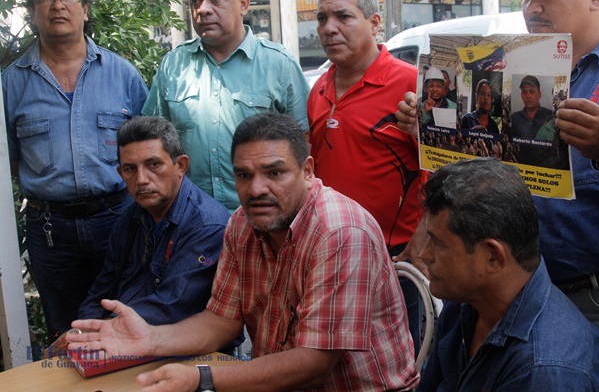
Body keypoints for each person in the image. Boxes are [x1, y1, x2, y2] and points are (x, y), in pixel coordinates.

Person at [397, 0, 599, 389]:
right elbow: (478, 172)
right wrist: (430, 127)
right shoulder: (511, 62)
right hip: (493, 295)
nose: (531, 7)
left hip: (597, 297)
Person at [68, 113, 419, 392]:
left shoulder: (340, 232)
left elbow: (314, 363)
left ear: (308, 171)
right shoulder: (241, 224)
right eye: (243, 175)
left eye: (275, 172)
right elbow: (220, 322)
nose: (256, 189)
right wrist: (149, 338)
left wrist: (202, 379)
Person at [2, 0, 148, 342]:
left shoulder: (123, 75)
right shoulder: (11, 84)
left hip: (119, 219)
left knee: (127, 323)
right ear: (32, 12)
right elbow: (11, 161)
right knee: (65, 331)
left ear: (85, 9)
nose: (57, 5)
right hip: (51, 230)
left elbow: (148, 150)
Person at [416, 158, 599, 391]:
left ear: (493, 257)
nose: (424, 254)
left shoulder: (546, 373)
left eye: (438, 244)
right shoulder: (465, 305)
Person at [307, 0, 424, 353]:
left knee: (394, 366)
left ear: (375, 23)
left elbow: (445, 170)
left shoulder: (412, 85)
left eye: (343, 16)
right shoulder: (319, 88)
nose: (329, 28)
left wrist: (425, 239)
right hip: (329, 255)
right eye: (322, 18)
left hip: (394, 261)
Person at [142, 0, 309, 212]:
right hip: (190, 219)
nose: (203, 9)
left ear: (243, 4)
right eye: (195, 1)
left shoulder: (279, 65)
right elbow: (153, 142)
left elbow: (303, 143)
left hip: (262, 216)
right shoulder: (173, 65)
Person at [77, 116, 229, 327]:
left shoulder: (207, 226)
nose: (141, 179)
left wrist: (103, 330)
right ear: (121, 174)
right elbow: (101, 290)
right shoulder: (129, 219)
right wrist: (81, 330)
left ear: (181, 166)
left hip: (179, 346)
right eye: (130, 169)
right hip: (121, 335)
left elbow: (171, 306)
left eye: (154, 164)